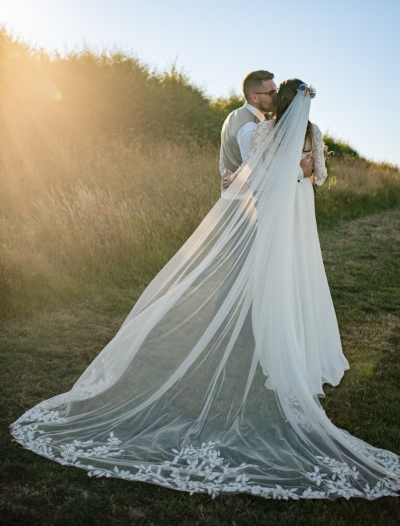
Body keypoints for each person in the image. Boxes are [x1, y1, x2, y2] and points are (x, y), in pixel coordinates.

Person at [10, 81, 400, 500]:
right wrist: (301, 171)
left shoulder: (278, 130)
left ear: (279, 100)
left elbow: (271, 173)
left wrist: (291, 172)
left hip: (284, 211)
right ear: (299, 103)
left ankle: (274, 342)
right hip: (289, 210)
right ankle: (280, 346)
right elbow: (313, 175)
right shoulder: (299, 132)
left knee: (284, 276)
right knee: (286, 275)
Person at [220, 70, 313, 191]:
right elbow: (255, 175)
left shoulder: (236, 115)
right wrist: (300, 172)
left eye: (277, 91)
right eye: (271, 93)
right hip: (244, 201)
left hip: (233, 196)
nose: (277, 97)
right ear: (254, 97)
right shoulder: (250, 127)